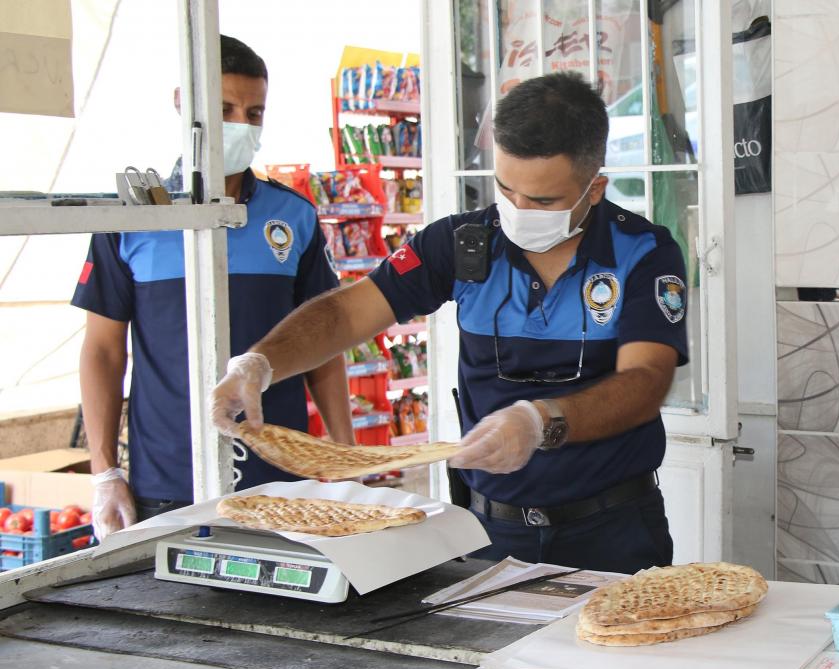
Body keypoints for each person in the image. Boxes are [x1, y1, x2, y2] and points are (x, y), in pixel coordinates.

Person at [210, 73, 689, 574]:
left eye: (543, 202)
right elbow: (347, 312)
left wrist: (540, 421)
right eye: (506, 190)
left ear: (594, 189)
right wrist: (260, 362)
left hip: (613, 529)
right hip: (489, 532)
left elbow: (645, 381)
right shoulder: (461, 243)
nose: (519, 212)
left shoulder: (643, 253)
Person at [74, 35, 354, 540]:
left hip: (279, 478)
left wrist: (344, 450)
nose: (241, 125)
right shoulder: (130, 220)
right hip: (167, 480)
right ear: (184, 105)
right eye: (225, 110)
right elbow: (102, 351)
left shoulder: (293, 216)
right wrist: (105, 473)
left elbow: (324, 338)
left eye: (254, 113)